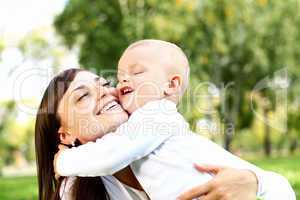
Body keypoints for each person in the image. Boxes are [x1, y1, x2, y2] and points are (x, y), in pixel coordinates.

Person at [54, 40, 296, 199]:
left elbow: (109, 155)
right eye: (83, 95)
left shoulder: (158, 115)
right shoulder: (78, 188)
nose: (116, 86)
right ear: (64, 134)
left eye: (136, 73)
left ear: (171, 85)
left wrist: (64, 160)